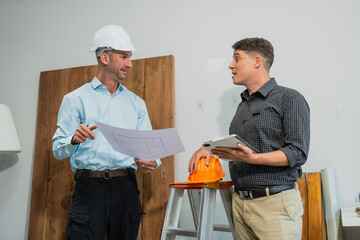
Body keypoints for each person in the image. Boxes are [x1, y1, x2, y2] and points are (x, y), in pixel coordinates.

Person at [188, 38, 310, 240]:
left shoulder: (289, 98)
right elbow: (242, 144)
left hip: (275, 205)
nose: (230, 65)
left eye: (237, 58)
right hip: (240, 204)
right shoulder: (243, 105)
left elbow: (297, 153)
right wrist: (209, 147)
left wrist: (253, 159)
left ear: (257, 61)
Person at [52, 25, 161, 240]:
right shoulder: (75, 99)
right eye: (124, 57)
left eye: (130, 57)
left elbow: (149, 148)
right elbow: (57, 149)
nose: (129, 64)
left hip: (126, 188)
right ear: (105, 58)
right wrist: (74, 138)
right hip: (89, 189)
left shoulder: (137, 104)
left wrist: (153, 162)